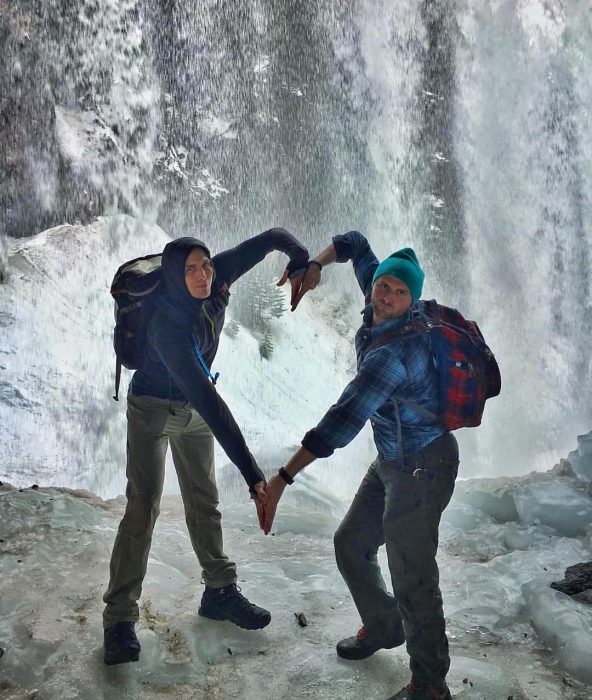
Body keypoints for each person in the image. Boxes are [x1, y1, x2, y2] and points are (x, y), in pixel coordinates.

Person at [262, 231, 459, 700]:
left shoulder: (394, 355)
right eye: (384, 286)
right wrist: (315, 266)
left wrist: (283, 477)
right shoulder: (380, 291)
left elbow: (339, 424)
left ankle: (431, 686)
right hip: (393, 458)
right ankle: (384, 624)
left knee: (412, 575)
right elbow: (354, 241)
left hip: (422, 466)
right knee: (352, 542)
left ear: (412, 300)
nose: (387, 295)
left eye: (399, 291)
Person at [103, 228, 309, 665]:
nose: (202, 276)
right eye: (191, 269)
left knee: (204, 500)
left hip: (192, 410)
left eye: (207, 265)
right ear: (177, 275)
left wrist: (299, 257)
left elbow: (271, 237)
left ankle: (218, 591)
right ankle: (119, 619)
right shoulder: (167, 327)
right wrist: (256, 477)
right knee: (144, 505)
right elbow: (211, 406)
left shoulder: (216, 278)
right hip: (153, 408)